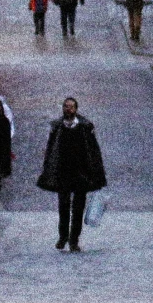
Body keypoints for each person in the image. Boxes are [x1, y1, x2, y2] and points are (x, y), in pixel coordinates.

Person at [37, 96, 106, 250]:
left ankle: (74, 240)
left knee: (78, 208)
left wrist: (97, 174)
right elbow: (50, 150)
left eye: (71, 106)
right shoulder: (57, 127)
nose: (68, 109)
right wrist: (48, 168)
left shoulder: (85, 126)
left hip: (81, 172)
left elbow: (94, 152)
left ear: (76, 109)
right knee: (63, 206)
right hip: (63, 172)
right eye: (66, 106)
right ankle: (63, 236)